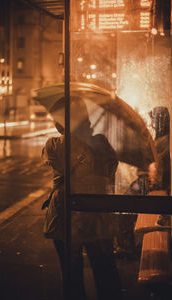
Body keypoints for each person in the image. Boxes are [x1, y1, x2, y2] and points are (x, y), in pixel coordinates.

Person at [41, 96, 123, 300]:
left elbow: (56, 166)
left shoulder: (53, 145)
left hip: (64, 213)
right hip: (96, 213)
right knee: (105, 270)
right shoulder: (101, 144)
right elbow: (110, 172)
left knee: (71, 275)